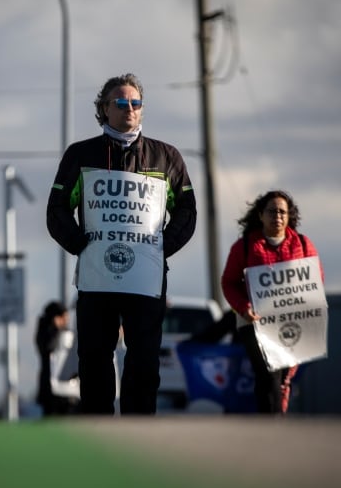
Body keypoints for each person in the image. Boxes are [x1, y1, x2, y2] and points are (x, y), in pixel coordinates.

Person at [46, 73, 197, 415]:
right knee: (95, 359)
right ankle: (98, 431)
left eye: (135, 103)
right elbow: (56, 209)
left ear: (142, 110)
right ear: (103, 109)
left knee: (144, 359)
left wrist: (161, 246)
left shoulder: (167, 157)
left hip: (146, 277)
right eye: (120, 102)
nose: (129, 108)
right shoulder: (80, 154)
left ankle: (139, 431)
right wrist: (78, 243)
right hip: (97, 276)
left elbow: (187, 210)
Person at [220, 190, 322, 414]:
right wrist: (243, 307)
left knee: (281, 377)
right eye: (272, 211)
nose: (277, 215)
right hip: (253, 323)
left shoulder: (303, 245)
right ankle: (272, 425)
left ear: (289, 216)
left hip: (291, 323)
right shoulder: (245, 246)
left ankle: (273, 419)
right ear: (260, 215)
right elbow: (228, 282)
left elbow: (315, 281)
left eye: (282, 211)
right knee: (268, 370)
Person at [34, 301, 73, 416]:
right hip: (50, 384)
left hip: (66, 385)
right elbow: (48, 347)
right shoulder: (47, 333)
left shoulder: (65, 332)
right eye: (64, 317)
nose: (67, 321)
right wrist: (56, 330)